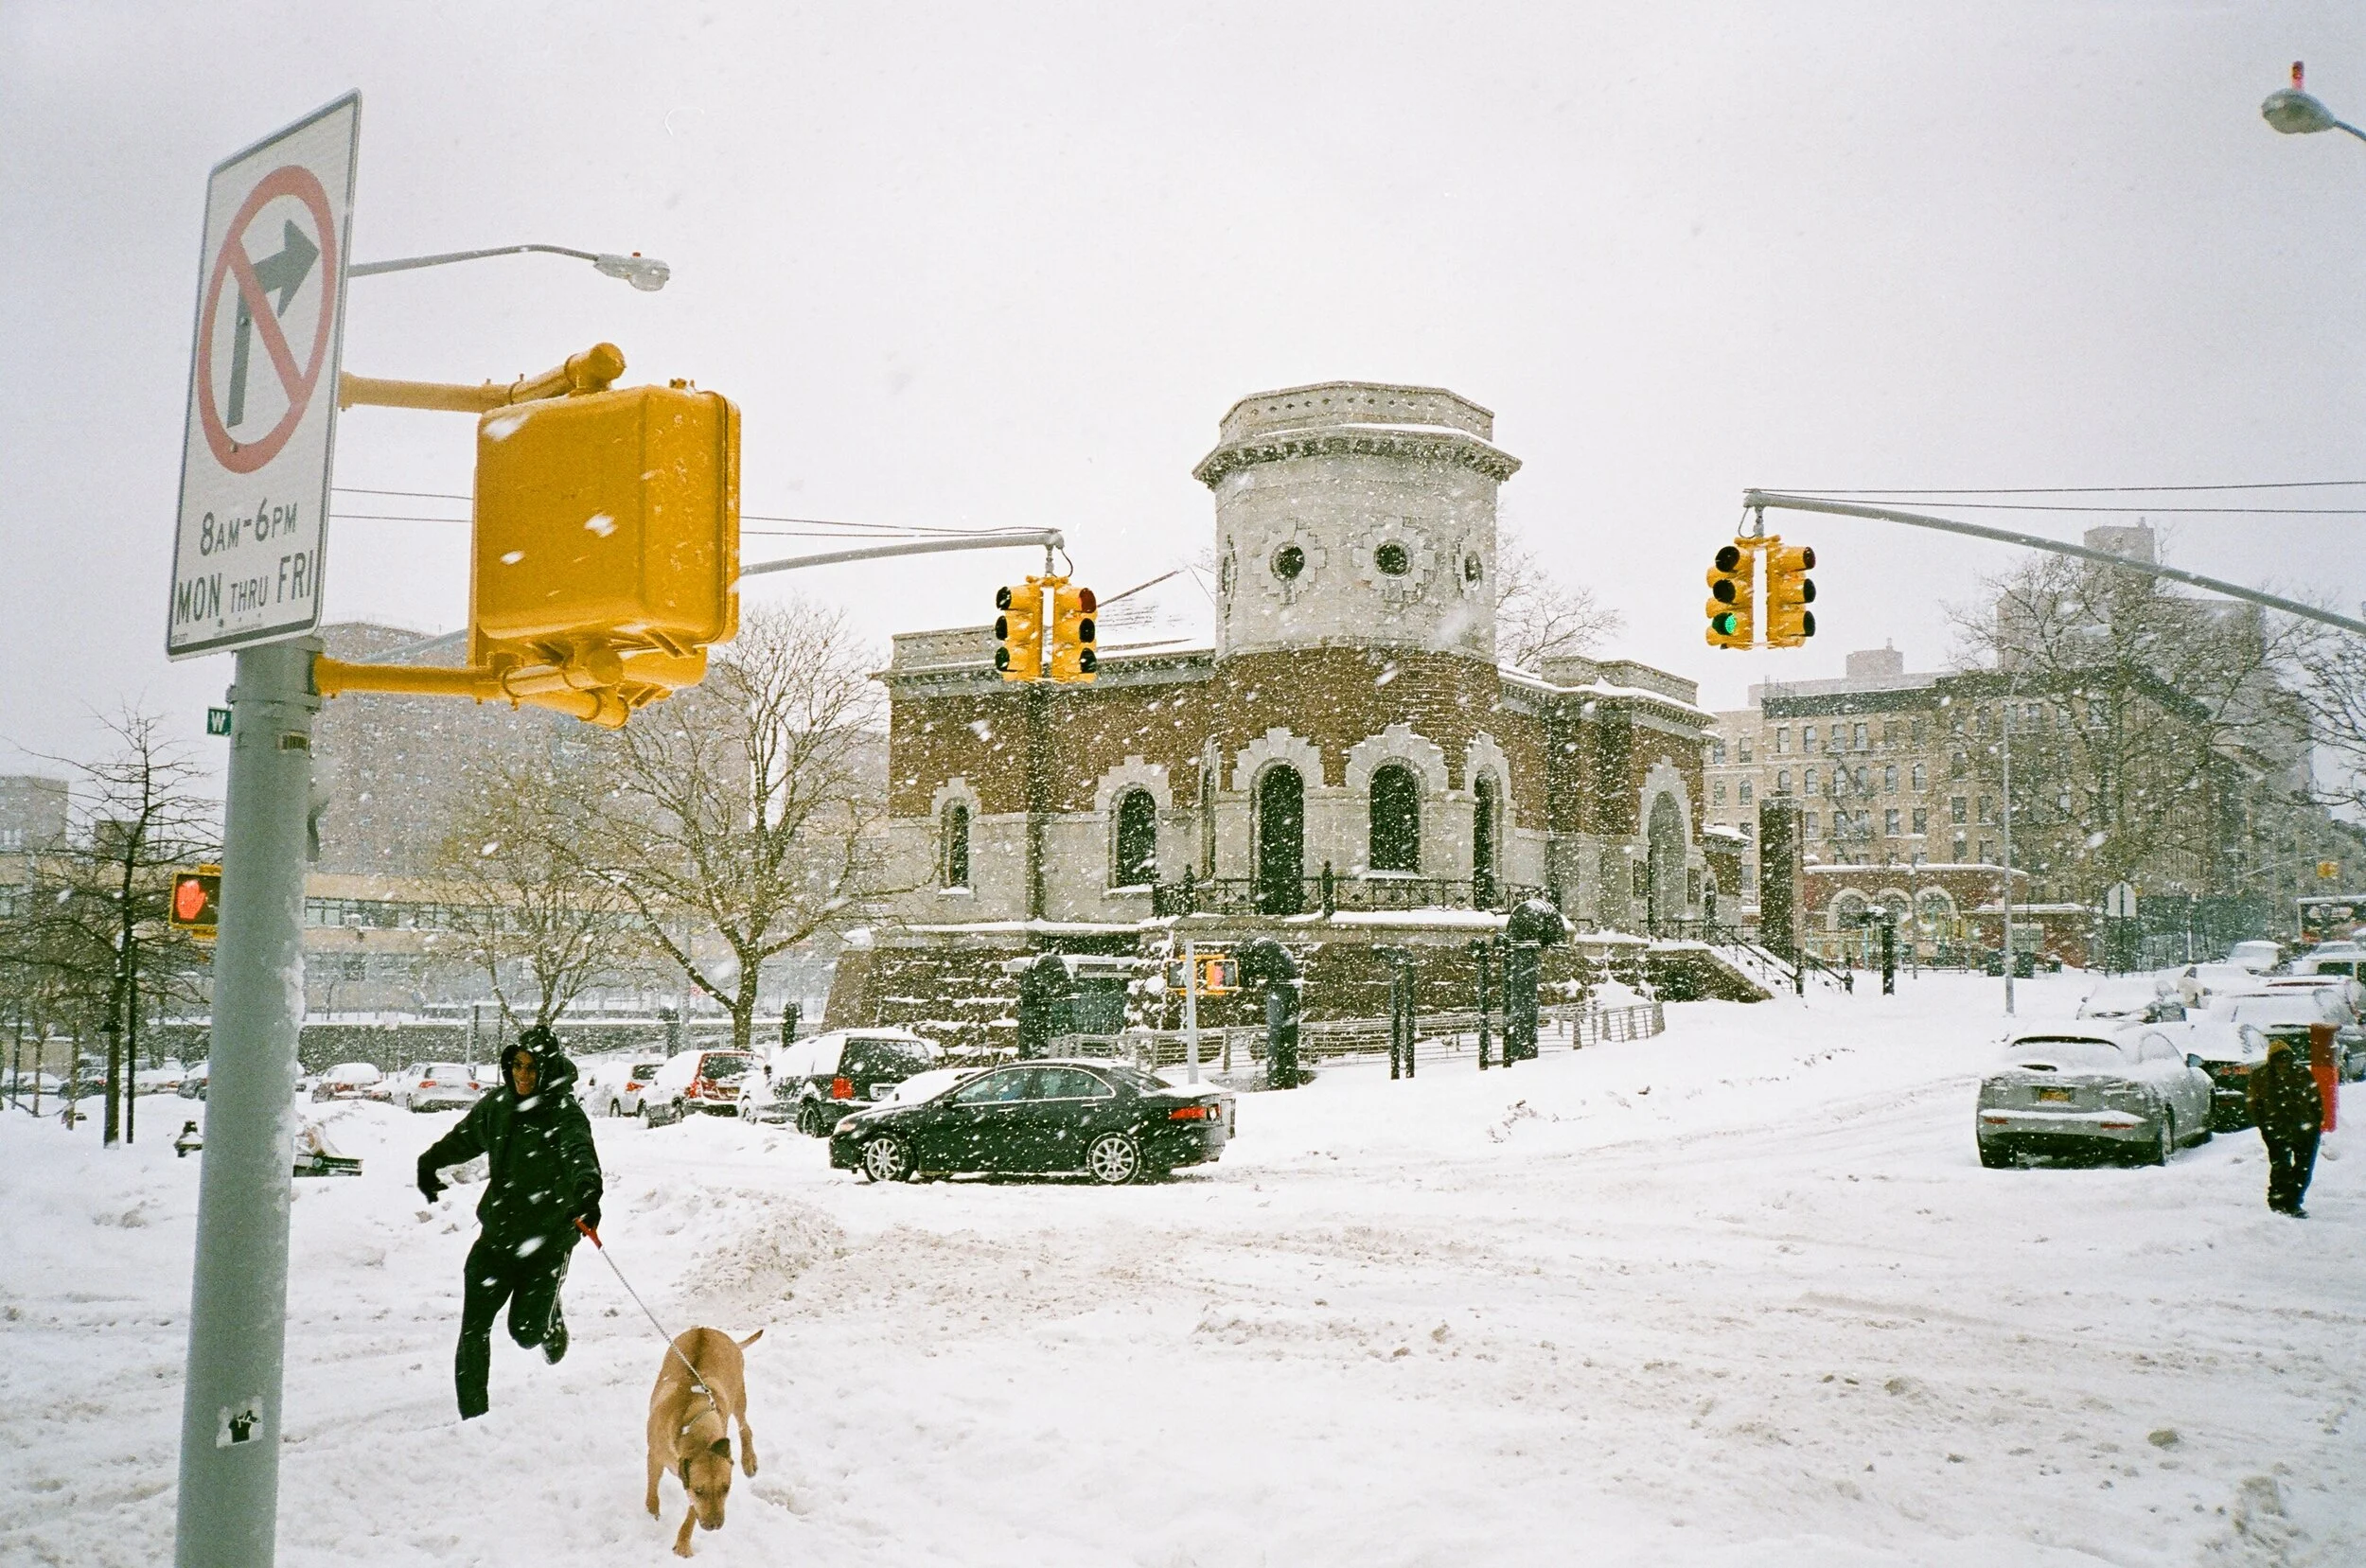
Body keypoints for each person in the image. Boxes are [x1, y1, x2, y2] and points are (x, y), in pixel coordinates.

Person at [417, 1027, 602, 1418]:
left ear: (547, 1069)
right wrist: (430, 1161)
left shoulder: (565, 1115)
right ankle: (473, 1419)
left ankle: (549, 1318)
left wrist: (588, 1196)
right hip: (497, 1237)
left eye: (531, 1068)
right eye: (517, 1065)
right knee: (473, 1331)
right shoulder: (499, 1106)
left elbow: (580, 1155)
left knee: (525, 1334)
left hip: (547, 1243)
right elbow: (465, 1138)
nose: (522, 1074)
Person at [2247, 1035, 2324, 1218]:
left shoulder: (2302, 1074)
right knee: (2281, 1167)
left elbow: (2316, 1100)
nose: (2283, 1064)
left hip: (2305, 1130)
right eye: (2279, 1060)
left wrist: (2315, 1123)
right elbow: (2253, 1104)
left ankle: (2293, 1201)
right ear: (2271, 1061)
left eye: (2286, 1059)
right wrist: (2264, 1125)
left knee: (2303, 1169)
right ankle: (2278, 1203)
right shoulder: (2261, 1077)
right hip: (2276, 1129)